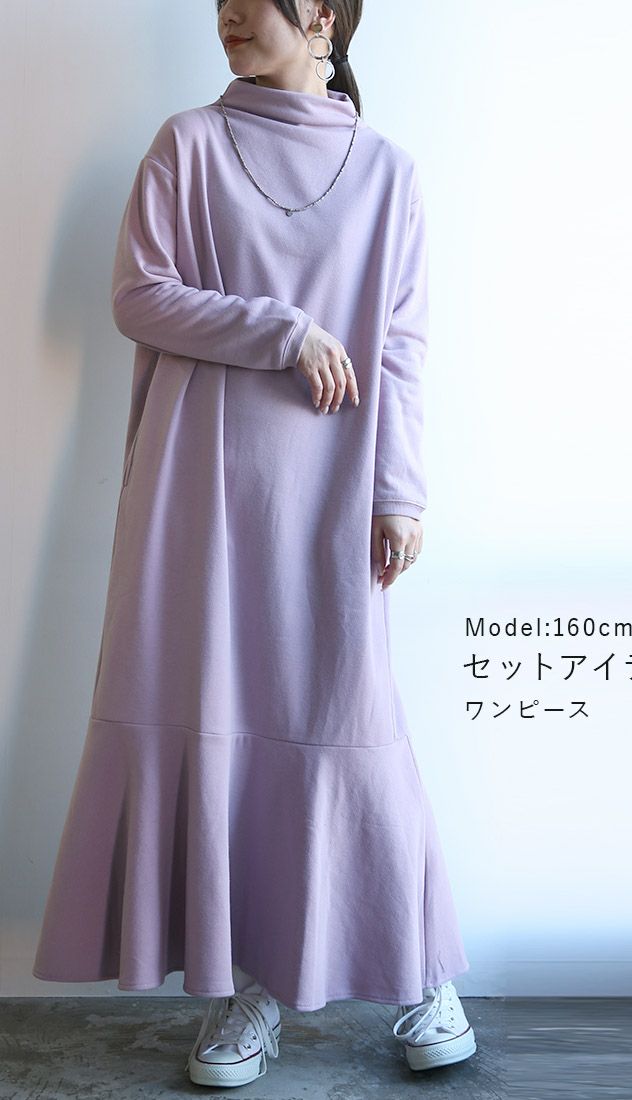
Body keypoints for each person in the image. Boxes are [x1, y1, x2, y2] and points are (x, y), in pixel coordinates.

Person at [32, 0, 476, 1088]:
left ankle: (422, 972)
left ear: (320, 13)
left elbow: (402, 347)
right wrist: (286, 330)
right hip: (198, 490)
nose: (227, 12)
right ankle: (253, 983)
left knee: (346, 717)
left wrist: (400, 490)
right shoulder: (188, 144)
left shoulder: (389, 172)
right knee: (223, 719)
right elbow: (139, 297)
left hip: (333, 486)